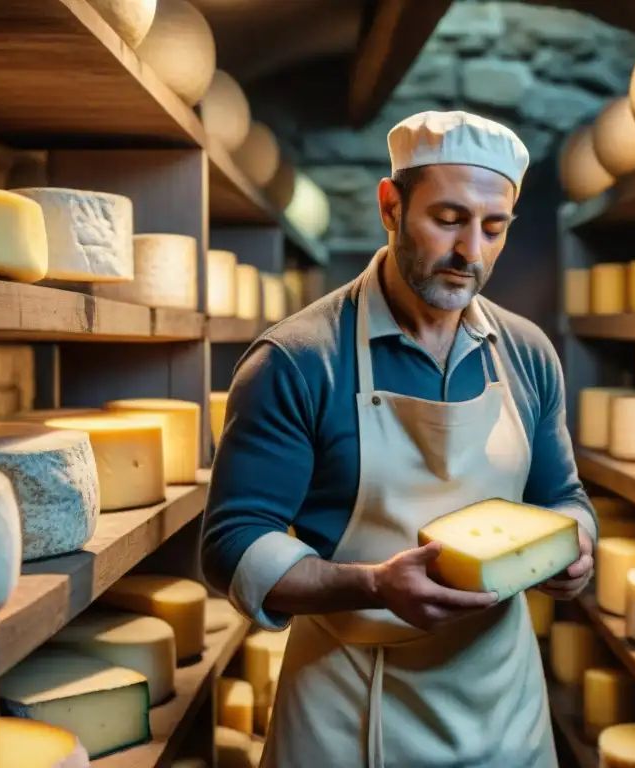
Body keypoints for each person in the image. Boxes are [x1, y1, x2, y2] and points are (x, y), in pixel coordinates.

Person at [202, 110, 597, 768]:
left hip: (504, 708)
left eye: (493, 227)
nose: (472, 251)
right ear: (390, 205)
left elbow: (564, 494)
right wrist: (372, 584)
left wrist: (576, 543)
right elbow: (232, 545)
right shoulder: (299, 358)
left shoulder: (527, 353)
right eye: (448, 219)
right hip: (349, 704)